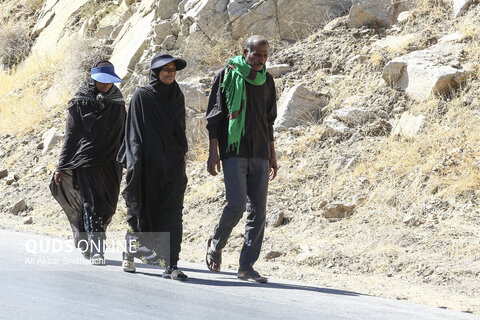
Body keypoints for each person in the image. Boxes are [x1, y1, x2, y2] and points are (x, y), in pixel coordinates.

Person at [205, 35, 278, 283]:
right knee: (236, 205)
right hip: (233, 149)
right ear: (244, 51)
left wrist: (273, 155)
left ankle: (246, 266)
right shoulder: (226, 74)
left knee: (259, 211)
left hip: (260, 152)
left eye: (265, 55)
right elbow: (214, 117)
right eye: (256, 55)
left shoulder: (267, 80)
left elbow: (269, 121)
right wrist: (213, 152)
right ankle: (216, 243)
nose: (261, 60)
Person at [117, 54, 188, 281]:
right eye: (165, 69)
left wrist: (183, 156)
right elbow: (134, 134)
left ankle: (171, 264)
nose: (170, 73)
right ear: (155, 72)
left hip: (173, 166)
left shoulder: (177, 95)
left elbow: (180, 129)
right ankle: (130, 251)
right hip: (147, 167)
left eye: (173, 69)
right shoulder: (142, 96)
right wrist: (135, 166)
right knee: (142, 211)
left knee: (173, 214)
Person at [50, 60, 126, 265]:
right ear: (93, 79)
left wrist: (130, 159)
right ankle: (97, 250)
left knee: (108, 207)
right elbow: (71, 135)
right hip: (86, 160)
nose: (106, 85)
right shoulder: (79, 102)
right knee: (92, 204)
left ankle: (85, 237)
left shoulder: (118, 102)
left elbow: (124, 134)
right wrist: (62, 165)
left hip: (112, 162)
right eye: (102, 81)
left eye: (109, 81)